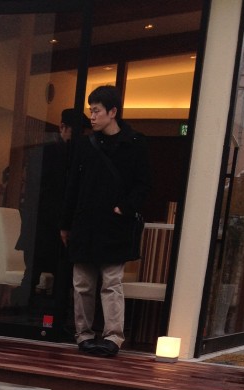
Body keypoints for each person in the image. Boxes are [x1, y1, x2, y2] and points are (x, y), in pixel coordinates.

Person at [60, 85, 151, 357]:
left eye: (97, 110)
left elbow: (144, 184)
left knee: (111, 282)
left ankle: (113, 337)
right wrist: (65, 223)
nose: (92, 116)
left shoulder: (135, 143)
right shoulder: (86, 145)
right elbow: (72, 186)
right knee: (83, 284)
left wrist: (124, 208)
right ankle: (84, 335)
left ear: (112, 112)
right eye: (91, 110)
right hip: (85, 223)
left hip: (114, 225)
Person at [16, 108, 78, 336]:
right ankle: (26, 318)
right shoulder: (47, 153)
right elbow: (37, 193)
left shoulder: (59, 153)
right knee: (35, 273)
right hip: (42, 224)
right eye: (74, 132)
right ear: (63, 128)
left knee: (50, 273)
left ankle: (42, 317)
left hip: (48, 224)